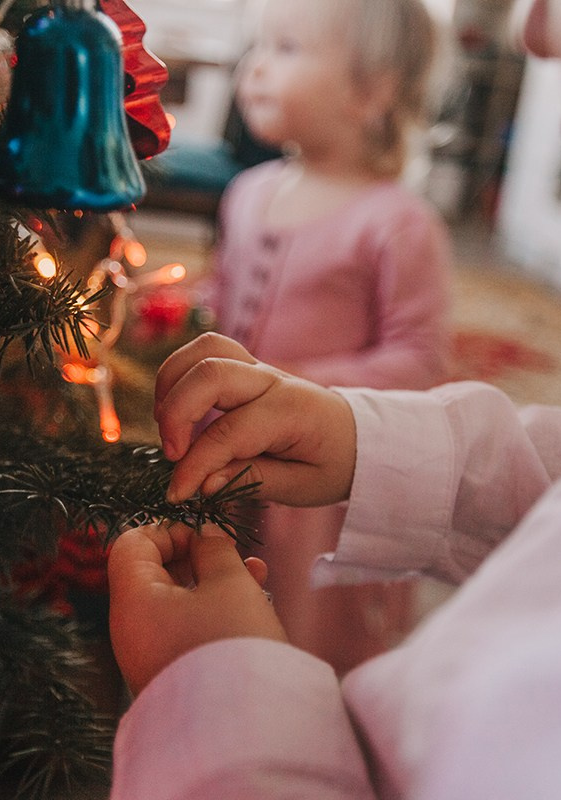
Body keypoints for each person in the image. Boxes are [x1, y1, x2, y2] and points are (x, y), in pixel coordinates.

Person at [105, 0, 561, 796]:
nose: (531, 31)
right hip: (269, 472)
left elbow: (418, 353)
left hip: (309, 552)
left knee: (311, 618)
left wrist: (216, 691)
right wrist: (361, 439)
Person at [196, 0, 455, 673]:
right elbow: (222, 303)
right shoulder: (247, 193)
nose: (254, 68)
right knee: (223, 603)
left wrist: (295, 383)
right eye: (257, 47)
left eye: (286, 48)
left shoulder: (397, 224)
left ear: (371, 90)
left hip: (321, 485)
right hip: (230, 450)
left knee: (308, 637)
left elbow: (417, 358)